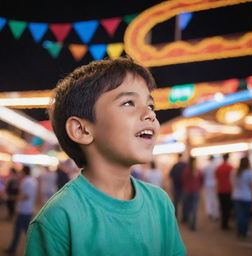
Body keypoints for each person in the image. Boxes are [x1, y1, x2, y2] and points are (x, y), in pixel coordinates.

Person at [25, 57, 186, 256]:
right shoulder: (58, 218)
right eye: (129, 103)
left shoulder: (160, 202)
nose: (150, 114)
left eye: (151, 106)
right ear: (82, 130)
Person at [6, 165, 38, 256]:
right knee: (25, 231)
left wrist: (13, 198)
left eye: (21, 172)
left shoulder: (26, 181)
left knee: (19, 231)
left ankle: (12, 250)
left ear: (24, 172)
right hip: (28, 209)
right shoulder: (33, 180)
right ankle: (13, 249)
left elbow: (25, 196)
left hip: (24, 210)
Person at [231, 155, 252, 238]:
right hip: (247, 197)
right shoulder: (249, 173)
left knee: (239, 215)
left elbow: (232, 184)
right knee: (246, 216)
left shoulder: (234, 172)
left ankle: (240, 231)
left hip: (236, 196)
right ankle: (244, 232)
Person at [181, 156, 203, 231]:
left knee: (188, 208)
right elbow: (201, 179)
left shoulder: (186, 170)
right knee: (194, 208)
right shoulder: (197, 170)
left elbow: (183, 180)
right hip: (195, 191)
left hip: (187, 191)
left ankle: (189, 222)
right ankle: (193, 224)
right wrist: (198, 186)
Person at [215, 153, 233, 230]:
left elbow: (216, 177)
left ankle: (223, 224)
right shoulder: (230, 167)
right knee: (227, 208)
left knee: (222, 207)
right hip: (228, 190)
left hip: (220, 190)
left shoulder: (219, 168)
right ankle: (225, 224)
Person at [169, 153, 187, 219]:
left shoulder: (175, 165)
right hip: (184, 187)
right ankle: (184, 217)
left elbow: (170, 177)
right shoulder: (185, 165)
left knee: (176, 203)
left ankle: (175, 216)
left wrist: (171, 187)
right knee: (184, 203)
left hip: (176, 187)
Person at [202, 155, 219, 220]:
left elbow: (203, 176)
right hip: (215, 184)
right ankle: (215, 214)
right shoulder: (216, 166)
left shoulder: (206, 167)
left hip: (207, 184)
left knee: (208, 199)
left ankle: (209, 212)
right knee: (215, 199)